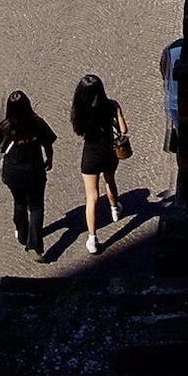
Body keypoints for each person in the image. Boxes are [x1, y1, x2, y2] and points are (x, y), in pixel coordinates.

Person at [68, 73, 132, 255]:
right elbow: (124, 129)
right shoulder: (112, 105)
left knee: (92, 197)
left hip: (91, 155)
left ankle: (92, 238)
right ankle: (114, 209)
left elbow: (78, 131)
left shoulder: (81, 111)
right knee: (110, 181)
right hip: (109, 153)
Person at [0, 92, 59, 261]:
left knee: (19, 201)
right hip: (34, 172)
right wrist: (49, 158)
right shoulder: (36, 123)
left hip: (13, 173)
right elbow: (48, 142)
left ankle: (22, 232)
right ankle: (34, 246)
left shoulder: (5, 125)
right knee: (36, 207)